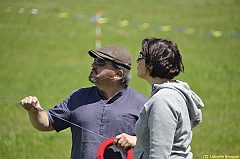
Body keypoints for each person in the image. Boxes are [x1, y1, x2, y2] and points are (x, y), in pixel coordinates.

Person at [20, 45, 148, 159]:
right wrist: (34, 112)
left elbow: (159, 141)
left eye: (100, 62)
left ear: (118, 74)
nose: (93, 65)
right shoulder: (78, 97)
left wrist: (135, 139)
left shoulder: (142, 104)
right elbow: (46, 123)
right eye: (94, 61)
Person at [133, 38, 204, 159]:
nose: (137, 60)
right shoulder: (172, 94)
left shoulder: (163, 100)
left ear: (151, 64)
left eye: (141, 56)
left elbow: (159, 155)